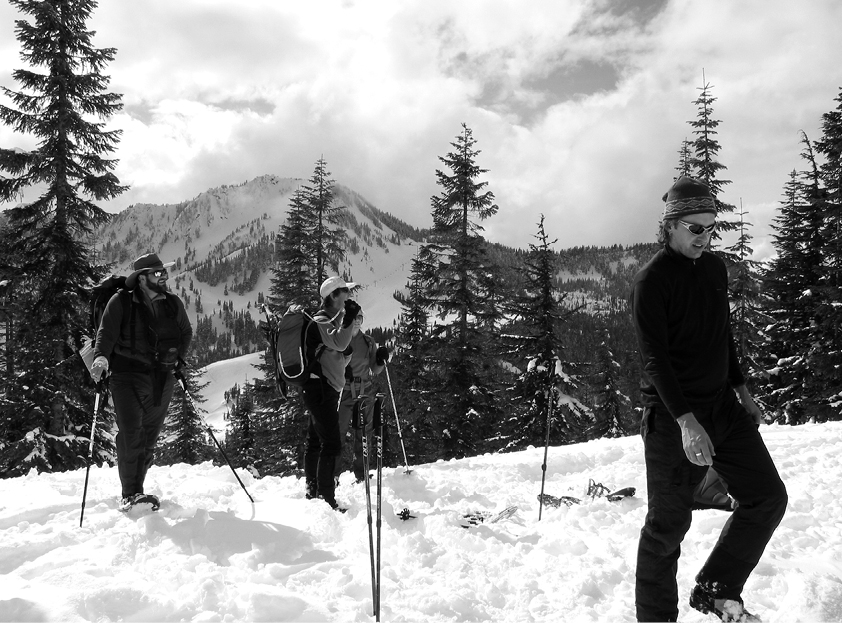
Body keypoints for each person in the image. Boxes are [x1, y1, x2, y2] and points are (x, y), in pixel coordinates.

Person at [630, 176, 787, 622]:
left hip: (723, 408)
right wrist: (685, 422)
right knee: (666, 530)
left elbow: (723, 337)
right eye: (696, 228)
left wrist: (741, 388)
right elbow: (654, 360)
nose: (705, 237)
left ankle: (716, 590)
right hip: (672, 419)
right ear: (671, 226)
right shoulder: (652, 281)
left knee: (767, 498)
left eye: (711, 228)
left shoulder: (714, 269)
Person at [89, 253, 193, 511]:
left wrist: (177, 358)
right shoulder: (121, 301)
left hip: (162, 377)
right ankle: (131, 494)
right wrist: (101, 358)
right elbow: (106, 333)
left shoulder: (172, 303)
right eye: (158, 273)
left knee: (148, 437)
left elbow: (186, 332)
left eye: (164, 273)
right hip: (126, 376)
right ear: (142, 277)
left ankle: (138, 491)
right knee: (131, 434)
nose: (164, 277)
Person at [302, 276, 361, 510]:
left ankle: (313, 489)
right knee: (331, 443)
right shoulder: (321, 321)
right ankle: (326, 499)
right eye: (344, 292)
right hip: (321, 389)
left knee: (316, 439)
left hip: (322, 387)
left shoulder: (328, 323)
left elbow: (339, 353)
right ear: (333, 297)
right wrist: (349, 321)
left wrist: (344, 349)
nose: (348, 295)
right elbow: (338, 344)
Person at [335, 311, 390, 484]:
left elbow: (375, 368)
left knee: (364, 433)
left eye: (360, 318)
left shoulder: (368, 341)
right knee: (339, 433)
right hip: (344, 390)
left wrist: (380, 360)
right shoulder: (339, 338)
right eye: (354, 318)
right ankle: (334, 474)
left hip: (364, 390)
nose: (357, 321)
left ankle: (362, 473)